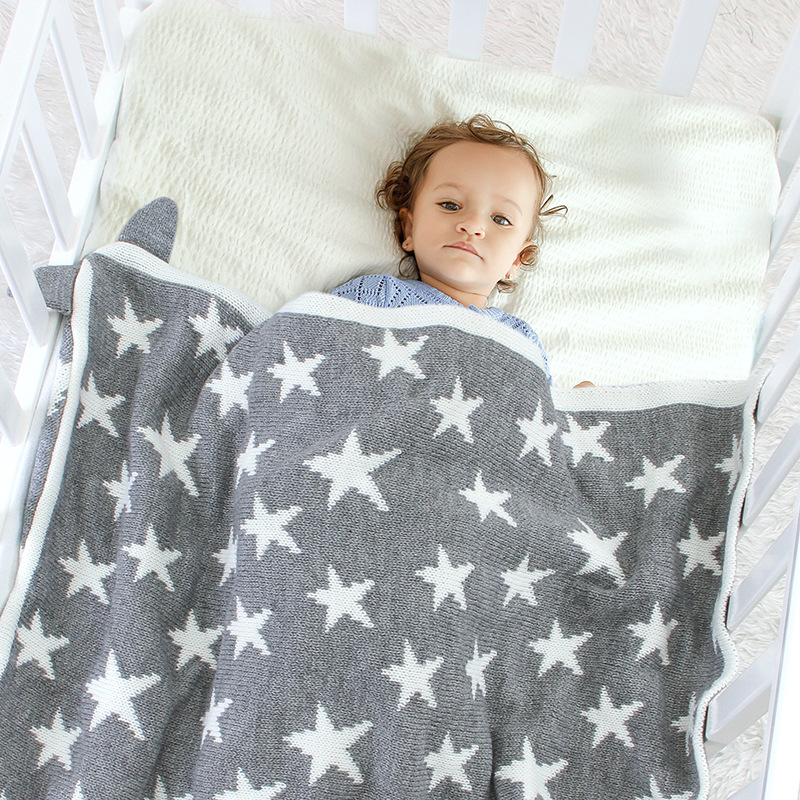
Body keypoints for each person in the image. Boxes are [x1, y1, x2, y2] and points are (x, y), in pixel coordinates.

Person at [330, 114, 586, 386]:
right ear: (409, 228)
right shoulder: (377, 297)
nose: (473, 225)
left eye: (500, 219)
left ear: (517, 260)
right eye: (450, 205)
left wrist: (579, 403)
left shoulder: (520, 340)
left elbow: (535, 409)